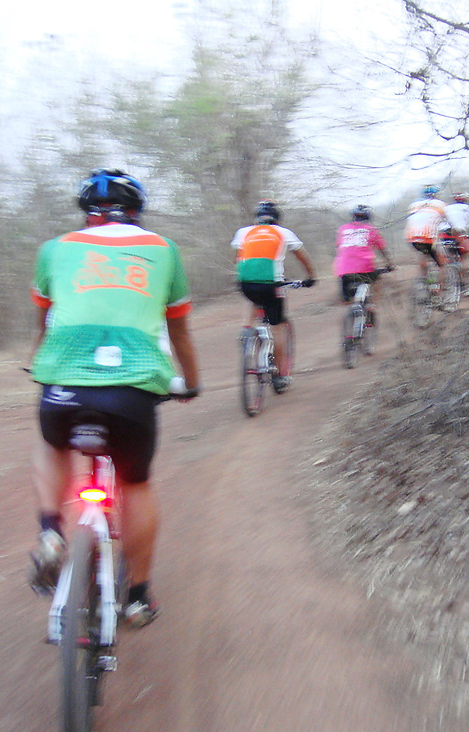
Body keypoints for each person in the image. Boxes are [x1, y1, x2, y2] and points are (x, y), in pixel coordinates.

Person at [27, 168, 200, 629]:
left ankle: (50, 531)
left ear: (86, 212)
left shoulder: (54, 249)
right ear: (137, 211)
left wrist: (37, 365)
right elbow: (179, 330)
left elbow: (44, 324)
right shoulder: (163, 249)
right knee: (136, 483)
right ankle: (138, 598)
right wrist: (191, 381)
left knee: (50, 441)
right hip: (133, 390)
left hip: (62, 382)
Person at [232, 200, 316, 393]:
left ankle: (246, 331)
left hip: (245, 282)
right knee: (277, 327)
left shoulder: (243, 232)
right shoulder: (283, 232)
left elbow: (238, 257)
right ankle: (280, 375)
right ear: (277, 218)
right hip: (272, 285)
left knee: (253, 298)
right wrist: (311, 276)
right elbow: (302, 256)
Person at [333, 204, 394, 311]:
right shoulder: (371, 229)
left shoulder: (342, 229)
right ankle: (373, 306)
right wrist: (389, 264)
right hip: (364, 268)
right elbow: (382, 249)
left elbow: (339, 247)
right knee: (377, 279)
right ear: (368, 218)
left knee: (347, 301)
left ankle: (351, 312)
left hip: (343, 269)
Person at [404, 185, 449, 291]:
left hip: (411, 237)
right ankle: (437, 288)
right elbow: (448, 221)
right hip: (428, 236)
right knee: (442, 263)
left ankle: (422, 281)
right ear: (436, 195)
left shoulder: (414, 205)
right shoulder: (441, 204)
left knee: (424, 253)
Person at [441, 192, 469, 295]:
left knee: (448, 258)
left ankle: (444, 283)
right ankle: (466, 284)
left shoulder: (446, 208)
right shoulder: (468, 208)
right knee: (464, 257)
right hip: (458, 234)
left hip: (444, 236)